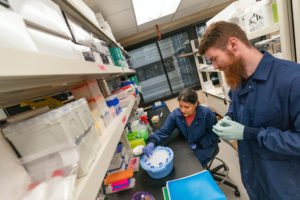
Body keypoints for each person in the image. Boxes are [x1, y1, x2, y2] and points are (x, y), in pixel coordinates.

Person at [198, 21, 300, 200]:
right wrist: (229, 118)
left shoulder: (292, 79)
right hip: (254, 182)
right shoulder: (237, 79)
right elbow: (235, 108)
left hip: (286, 189)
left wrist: (250, 133)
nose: (214, 67)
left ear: (233, 44)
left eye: (214, 58)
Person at [143, 88, 219, 167]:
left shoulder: (207, 114)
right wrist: (152, 141)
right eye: (180, 106)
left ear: (196, 104)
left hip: (206, 146)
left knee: (193, 167)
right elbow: (164, 131)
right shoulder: (176, 115)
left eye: (187, 107)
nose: (182, 110)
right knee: (179, 164)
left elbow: (215, 134)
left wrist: (200, 144)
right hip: (189, 145)